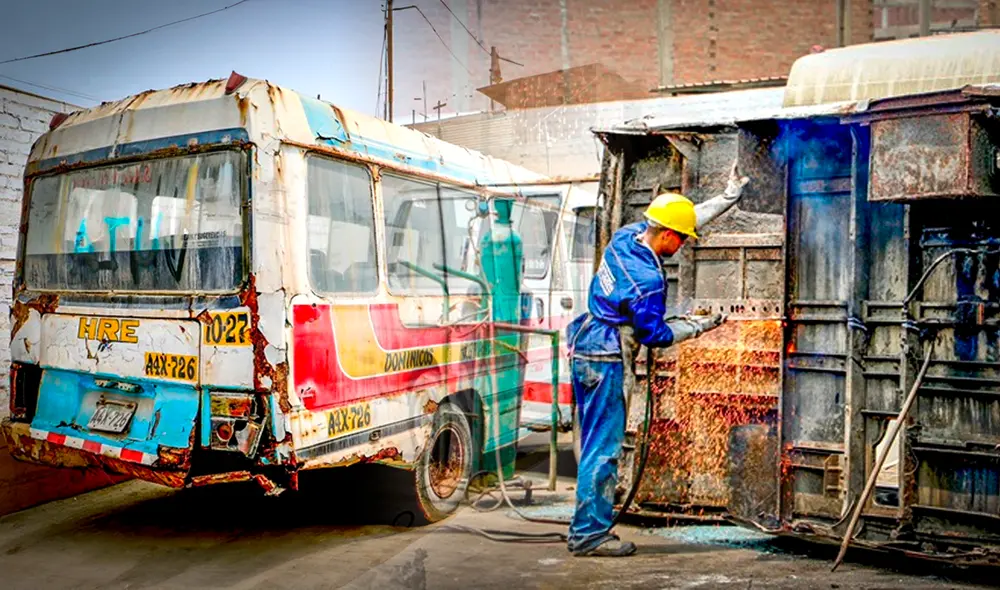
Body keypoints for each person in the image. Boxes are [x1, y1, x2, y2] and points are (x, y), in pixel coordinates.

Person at [566, 161, 750, 557]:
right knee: (604, 448)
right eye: (680, 239)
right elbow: (656, 335)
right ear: (665, 235)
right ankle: (588, 535)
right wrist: (699, 326)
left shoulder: (628, 235)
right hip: (607, 355)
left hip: (585, 341)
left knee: (593, 442)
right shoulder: (648, 283)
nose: (683, 244)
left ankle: (587, 524)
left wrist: (727, 198)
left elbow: (683, 216)